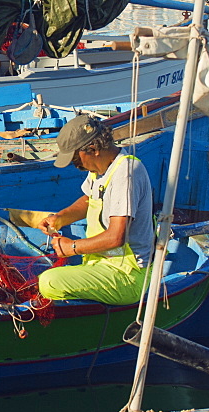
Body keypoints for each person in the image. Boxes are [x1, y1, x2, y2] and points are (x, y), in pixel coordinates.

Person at [36, 114, 155, 306]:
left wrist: (72, 248)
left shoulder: (126, 173)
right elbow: (89, 199)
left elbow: (117, 237)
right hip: (99, 265)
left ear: (93, 149)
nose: (76, 165)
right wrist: (59, 218)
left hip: (126, 274)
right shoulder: (100, 169)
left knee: (49, 282)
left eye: (75, 158)